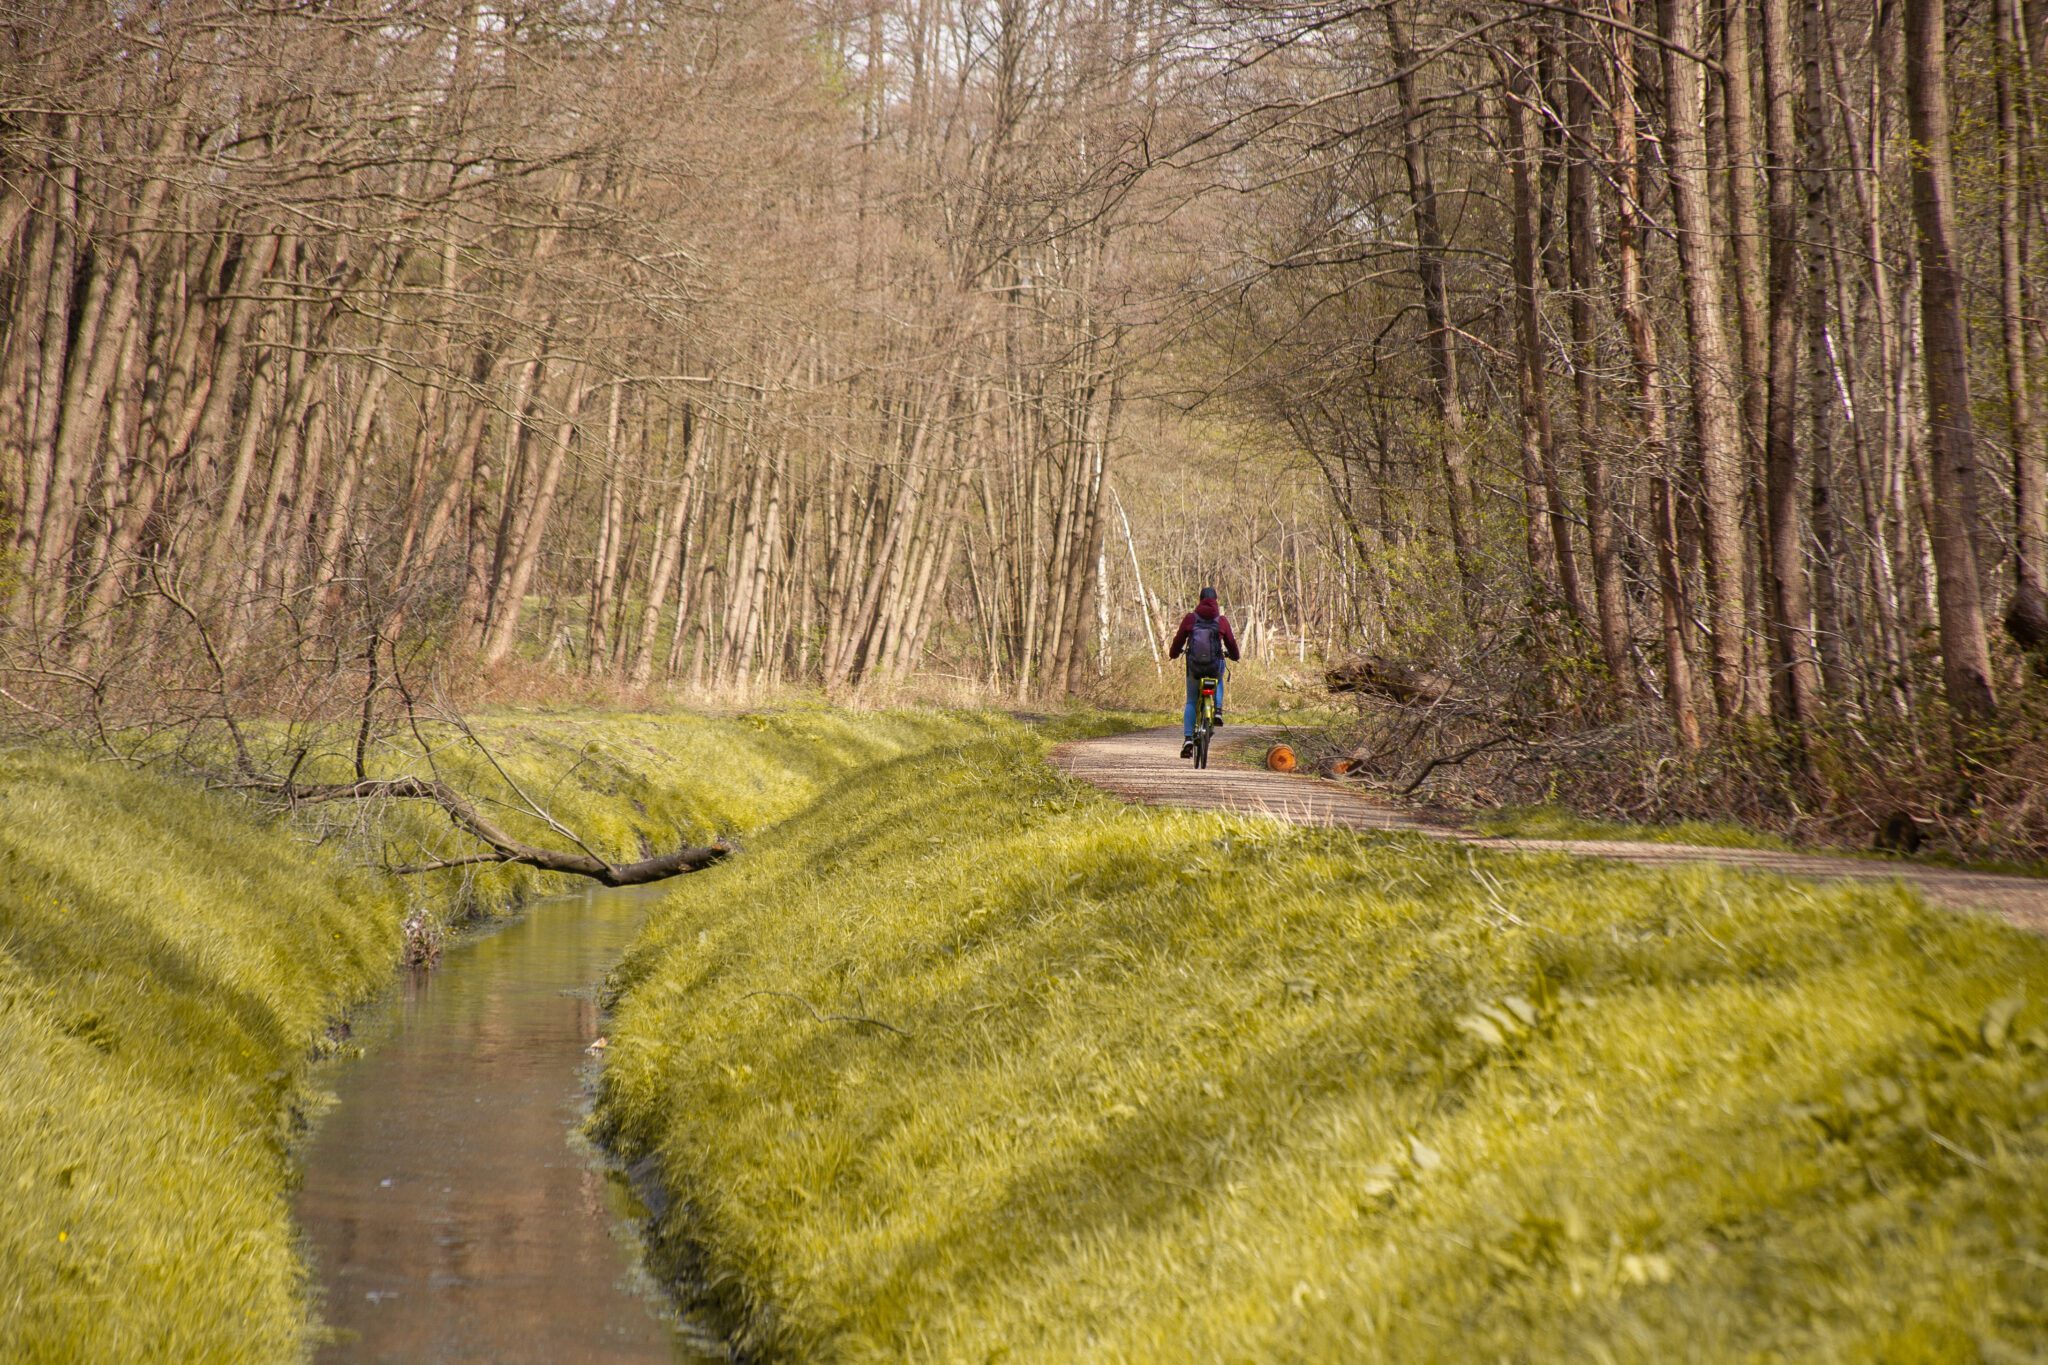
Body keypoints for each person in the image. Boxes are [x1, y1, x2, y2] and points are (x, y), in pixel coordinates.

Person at [1168, 587, 1240, 757]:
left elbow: (1178, 640)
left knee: (1191, 701)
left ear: (1200, 600)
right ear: (1216, 601)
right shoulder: (1221, 620)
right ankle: (1218, 711)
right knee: (1219, 677)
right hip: (1214, 666)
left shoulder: (1191, 618)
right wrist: (1235, 656)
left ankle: (1187, 739)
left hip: (1194, 667)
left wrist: (1174, 654)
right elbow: (1231, 642)